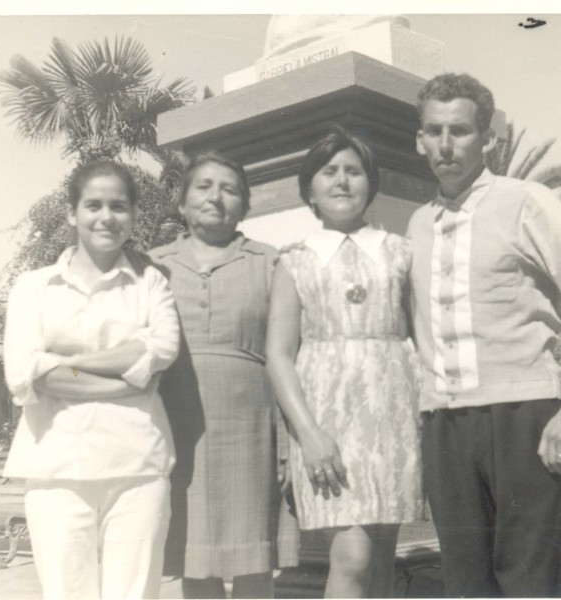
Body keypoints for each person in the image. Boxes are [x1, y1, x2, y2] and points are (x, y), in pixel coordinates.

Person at [407, 72, 561, 597]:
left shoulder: (528, 202)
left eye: (461, 130)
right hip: (446, 422)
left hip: (526, 415)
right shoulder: (416, 225)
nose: (446, 145)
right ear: (419, 138)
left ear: (489, 138)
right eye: (434, 131)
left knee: (529, 579)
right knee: (465, 581)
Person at [2, 161, 180, 600]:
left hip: (139, 464)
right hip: (56, 466)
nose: (107, 217)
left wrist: (66, 363)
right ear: (71, 213)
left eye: (119, 206)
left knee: (135, 594)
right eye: (93, 205)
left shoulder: (150, 283)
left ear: (133, 216)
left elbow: (160, 349)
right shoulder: (34, 287)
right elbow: (24, 373)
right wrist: (122, 383)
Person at [266, 127, 422, 598]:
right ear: (309, 189)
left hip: (394, 416)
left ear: (370, 183)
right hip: (326, 423)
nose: (341, 180)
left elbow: (420, 333)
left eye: (353, 171)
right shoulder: (295, 261)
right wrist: (308, 435)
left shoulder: (400, 252)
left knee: (380, 558)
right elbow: (278, 354)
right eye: (328, 171)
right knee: (351, 557)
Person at [148, 152, 298, 599]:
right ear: (181, 202)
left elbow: (289, 355)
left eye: (229, 189)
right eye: (204, 186)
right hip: (178, 426)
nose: (216, 197)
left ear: (245, 206)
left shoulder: (272, 263)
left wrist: (289, 442)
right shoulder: (151, 265)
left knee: (254, 562)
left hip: (251, 426)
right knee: (196, 561)